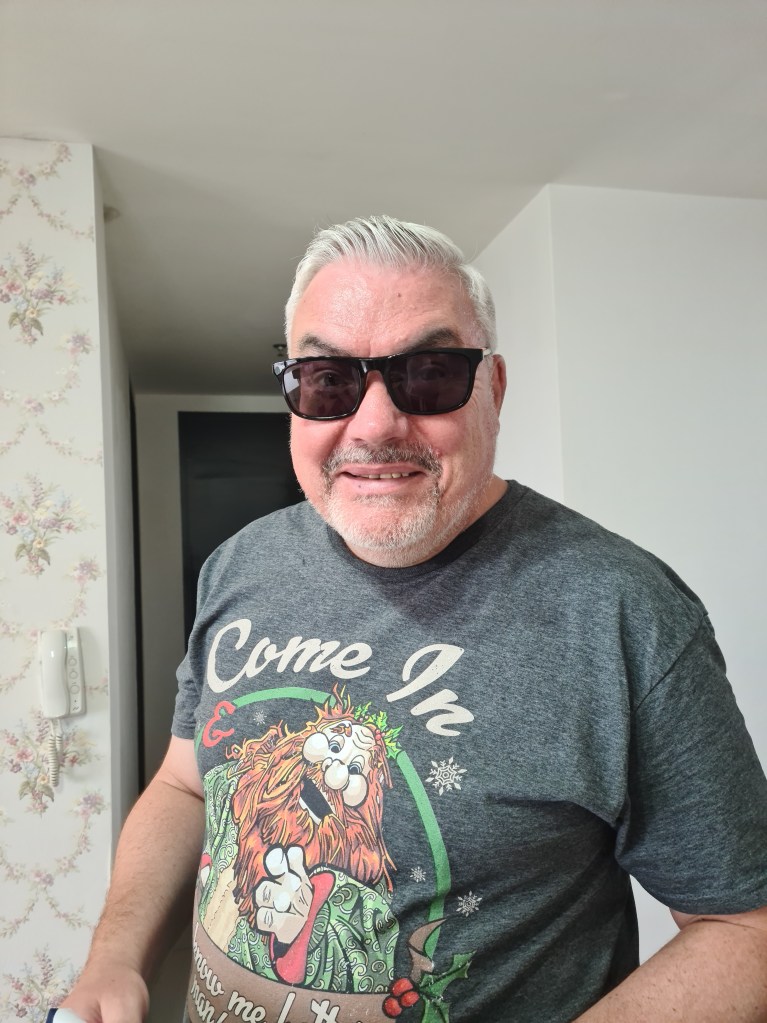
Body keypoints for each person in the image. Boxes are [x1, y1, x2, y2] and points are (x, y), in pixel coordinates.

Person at [62, 216, 767, 1023]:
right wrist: (113, 959)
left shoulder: (621, 610)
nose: (373, 425)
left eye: (428, 375)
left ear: (492, 388)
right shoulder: (238, 563)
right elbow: (186, 783)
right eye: (327, 378)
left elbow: (743, 926)